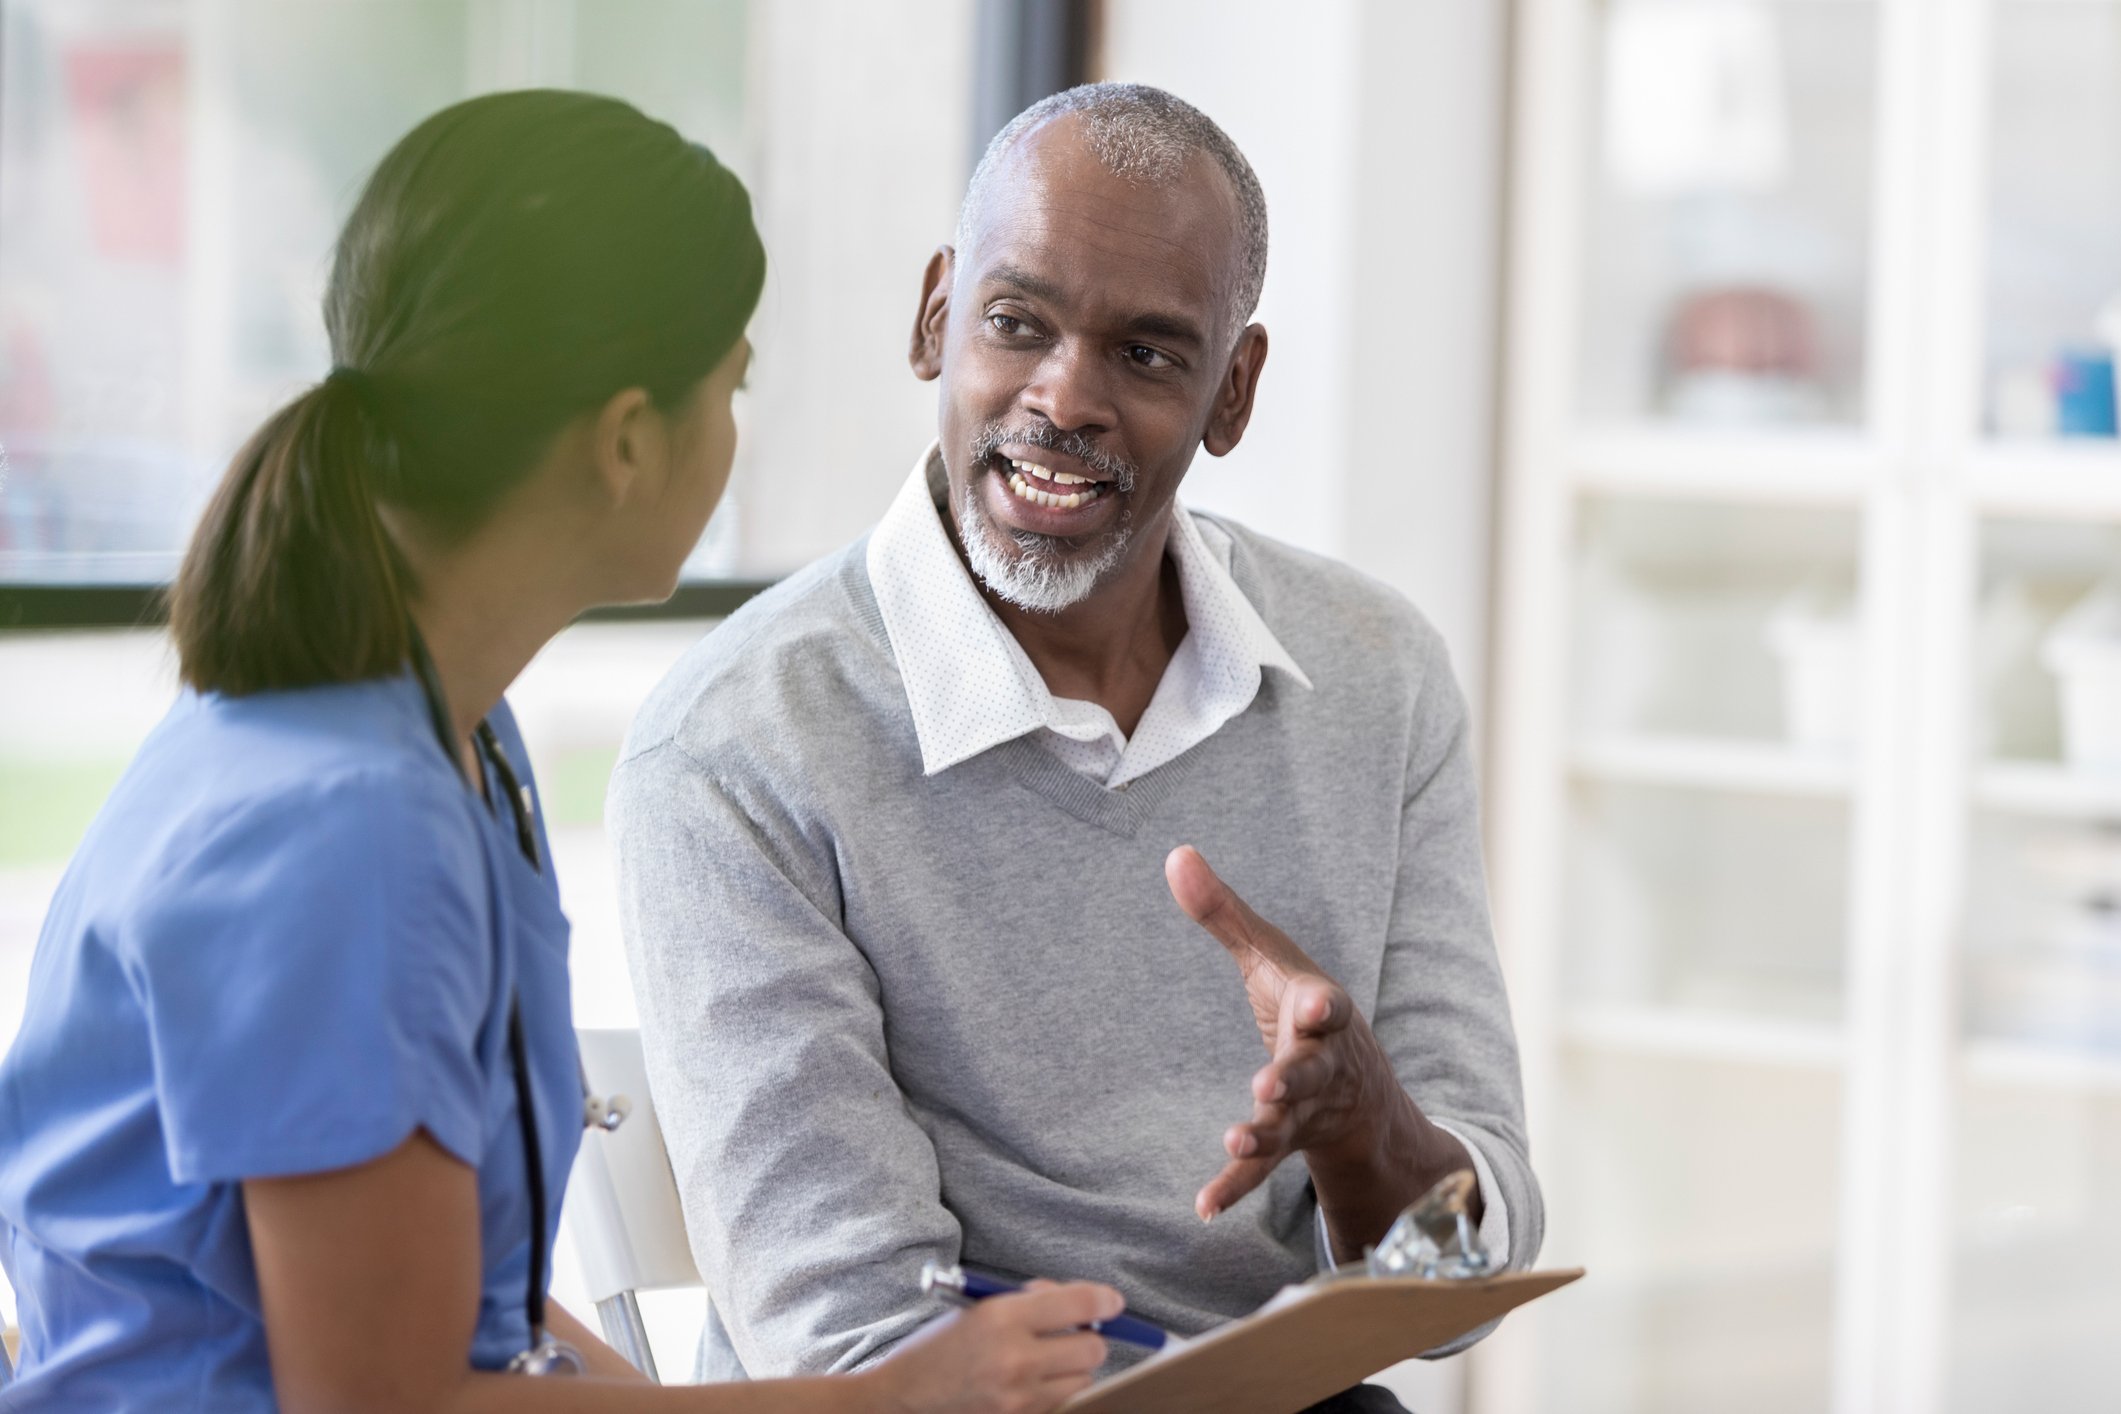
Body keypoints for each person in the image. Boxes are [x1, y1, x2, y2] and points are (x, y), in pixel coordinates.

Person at [0, 89, 1121, 1413]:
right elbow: (386, 1402)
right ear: (630, 441)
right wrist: (877, 1400)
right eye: (732, 386)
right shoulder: (343, 834)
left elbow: (442, 1286)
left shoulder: (453, 736)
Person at [609, 83, 1542, 1414]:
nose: (1064, 398)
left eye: (1148, 356)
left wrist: (1363, 1125)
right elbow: (847, 1342)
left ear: (1234, 389)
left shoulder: (1372, 676)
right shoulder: (737, 745)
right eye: (1015, 323)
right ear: (937, 314)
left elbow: (1461, 1274)